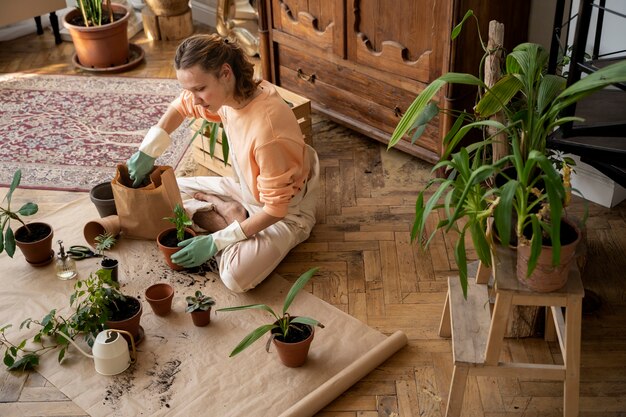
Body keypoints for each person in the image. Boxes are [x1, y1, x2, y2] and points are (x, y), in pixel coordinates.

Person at [126, 34, 319, 293]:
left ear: (225, 73)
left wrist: (215, 242)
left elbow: (276, 209)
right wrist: (148, 151)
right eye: (189, 89)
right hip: (247, 192)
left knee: (234, 277)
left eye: (199, 89)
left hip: (284, 214)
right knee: (167, 189)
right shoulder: (229, 96)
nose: (194, 99)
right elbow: (181, 107)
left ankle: (229, 220)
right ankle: (231, 215)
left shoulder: (267, 132)